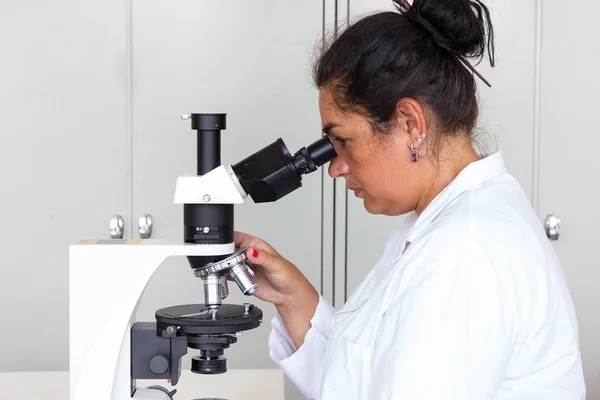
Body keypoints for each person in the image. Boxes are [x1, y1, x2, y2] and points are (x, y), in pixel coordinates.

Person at [235, 0, 586, 398]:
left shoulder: (466, 248)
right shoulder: (452, 224)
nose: (335, 167)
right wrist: (292, 296)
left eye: (343, 141)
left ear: (410, 123)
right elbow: (357, 382)